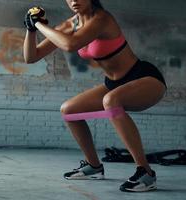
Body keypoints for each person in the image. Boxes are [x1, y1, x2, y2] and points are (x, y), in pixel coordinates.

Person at [23, 0, 167, 192]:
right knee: (69, 109)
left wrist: (40, 24)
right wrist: (30, 30)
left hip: (145, 78)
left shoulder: (102, 19)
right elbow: (31, 57)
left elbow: (70, 44)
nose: (74, 1)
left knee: (111, 101)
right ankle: (93, 167)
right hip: (113, 84)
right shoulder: (70, 25)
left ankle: (146, 174)